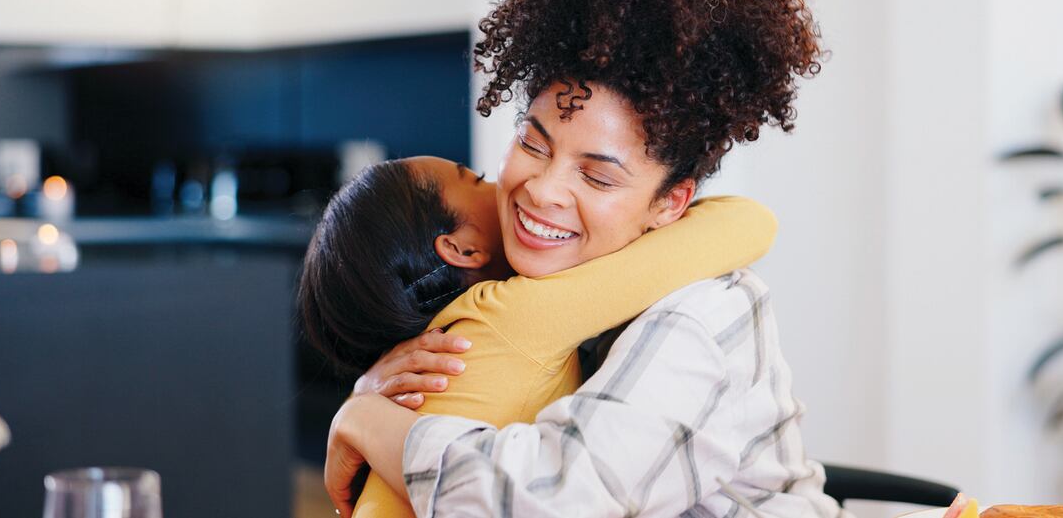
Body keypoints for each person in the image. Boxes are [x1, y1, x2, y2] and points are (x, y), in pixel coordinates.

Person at [323, 0, 837, 518]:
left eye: (596, 175)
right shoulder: (523, 288)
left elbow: (554, 501)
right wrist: (378, 392)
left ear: (670, 203)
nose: (542, 191)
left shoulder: (702, 314)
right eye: (533, 144)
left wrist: (365, 421)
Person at [301, 152, 778, 517]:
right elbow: (748, 224)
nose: (533, 192)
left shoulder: (444, 336)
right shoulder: (514, 313)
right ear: (461, 249)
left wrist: (360, 406)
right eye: (478, 181)